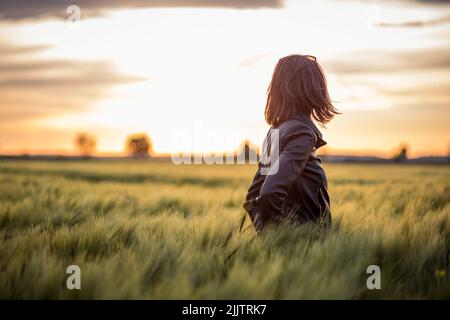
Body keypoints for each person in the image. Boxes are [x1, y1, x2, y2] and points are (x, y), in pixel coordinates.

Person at [243, 54, 339, 233]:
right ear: (310, 90)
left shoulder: (275, 132)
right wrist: (285, 236)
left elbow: (252, 197)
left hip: (293, 253)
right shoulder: (302, 134)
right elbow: (269, 192)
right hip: (309, 250)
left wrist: (268, 238)